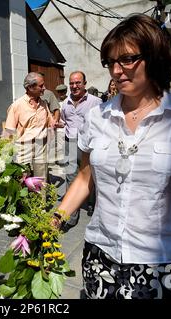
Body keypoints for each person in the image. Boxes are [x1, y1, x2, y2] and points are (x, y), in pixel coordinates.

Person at [53, 14, 171, 299]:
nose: (117, 71)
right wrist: (53, 221)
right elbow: (85, 178)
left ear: (154, 57)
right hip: (100, 252)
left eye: (127, 60)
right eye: (110, 63)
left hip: (161, 260)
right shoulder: (97, 117)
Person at [60, 71, 102, 231]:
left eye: (78, 82)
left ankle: (91, 203)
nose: (74, 86)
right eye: (71, 83)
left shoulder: (96, 102)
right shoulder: (65, 103)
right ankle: (70, 217)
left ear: (84, 83)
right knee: (70, 176)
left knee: (91, 176)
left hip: (90, 145)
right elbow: (65, 120)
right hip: (70, 142)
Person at [4, 72, 54, 180]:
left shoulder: (44, 104)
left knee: (41, 179)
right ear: (30, 87)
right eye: (41, 86)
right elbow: (9, 131)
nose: (44, 88)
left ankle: (41, 197)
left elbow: (50, 120)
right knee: (22, 178)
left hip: (41, 145)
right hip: (23, 147)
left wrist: (55, 123)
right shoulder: (17, 105)